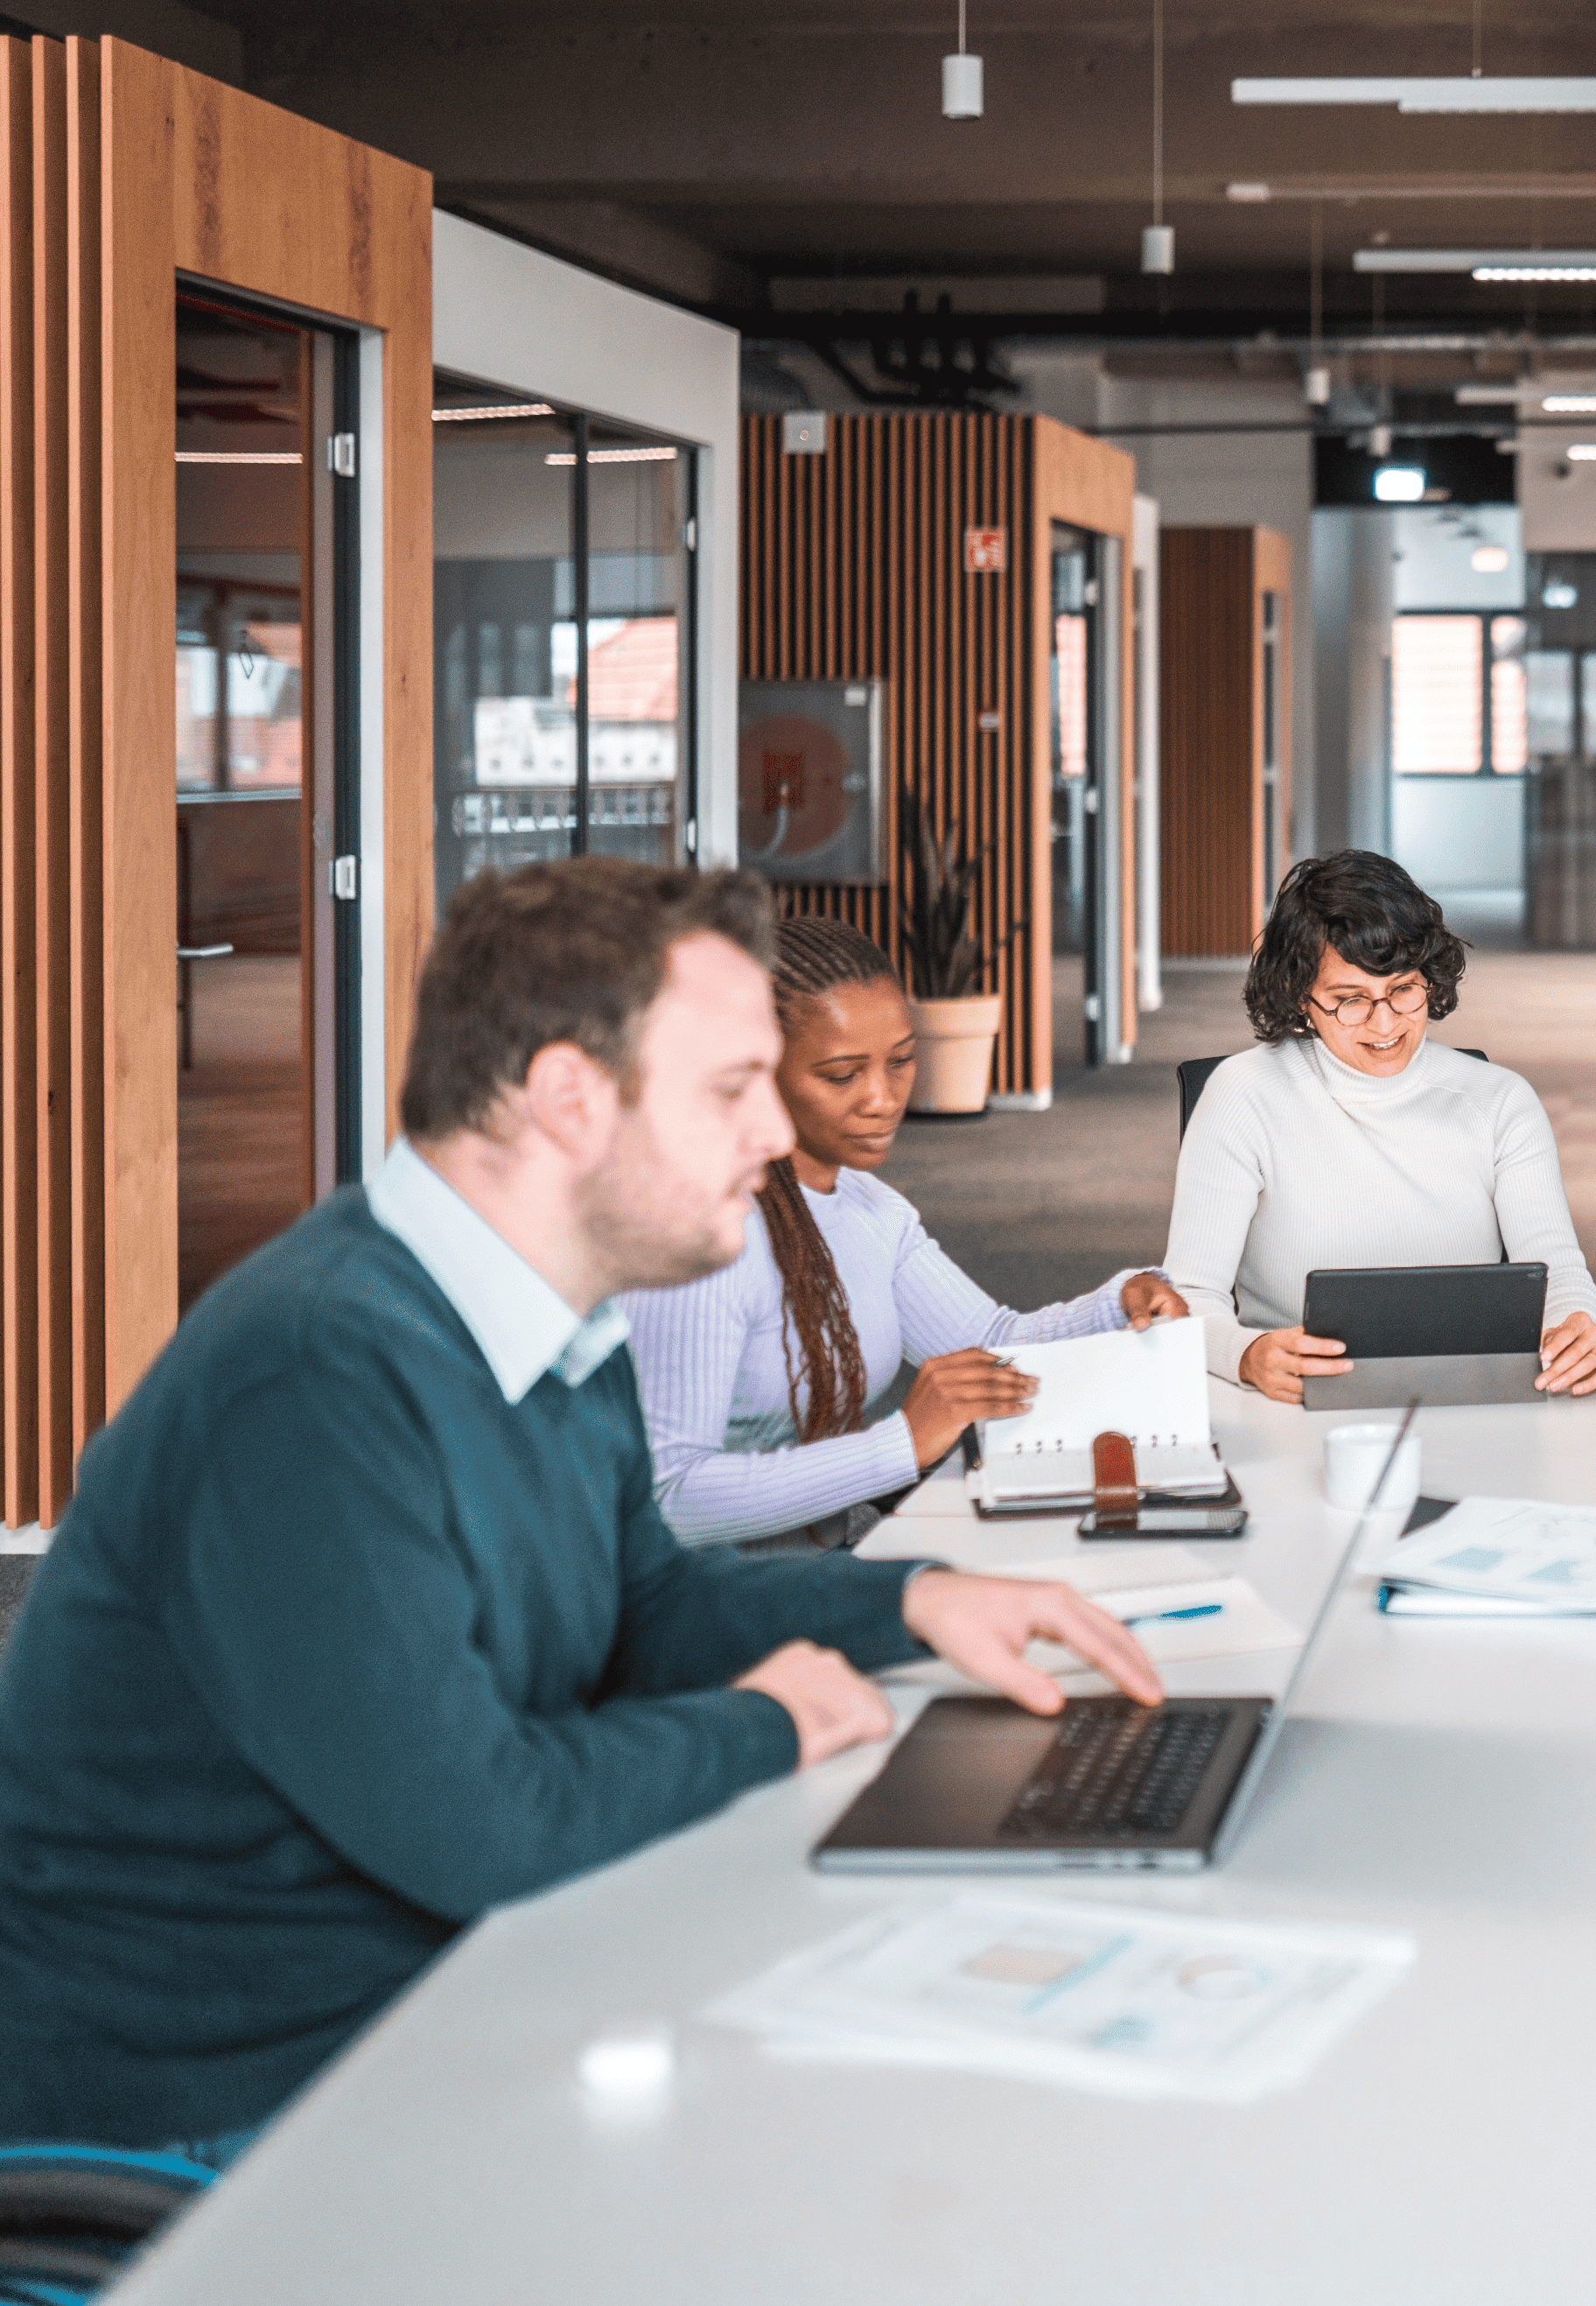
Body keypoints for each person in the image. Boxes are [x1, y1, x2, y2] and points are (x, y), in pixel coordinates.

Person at [0, 861, 1160, 2156]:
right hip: (229, 2124)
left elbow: (644, 1597)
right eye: (730, 1090)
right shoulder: (314, 1375)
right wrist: (770, 1720)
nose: (776, 1134)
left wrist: (909, 1596)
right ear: (566, 1097)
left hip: (443, 2007)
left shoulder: (559, 1312)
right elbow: (482, 1823)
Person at [622, 915, 1191, 1549]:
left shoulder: (871, 1208)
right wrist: (902, 1442)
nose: (882, 1097)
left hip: (827, 1565)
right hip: (709, 1604)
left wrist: (1118, 1303)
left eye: (900, 1061)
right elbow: (669, 1498)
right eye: (842, 1074)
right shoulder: (703, 1235)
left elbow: (994, 1343)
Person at [1166, 850, 1596, 1403]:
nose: (1384, 1024)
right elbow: (1187, 1296)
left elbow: (1557, 1272)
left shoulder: (1500, 1102)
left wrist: (1574, 1328)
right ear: (1301, 999)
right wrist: (1245, 1356)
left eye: (1402, 989)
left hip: (1471, 1398)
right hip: (1293, 1402)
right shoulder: (1242, 1095)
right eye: (1349, 1000)